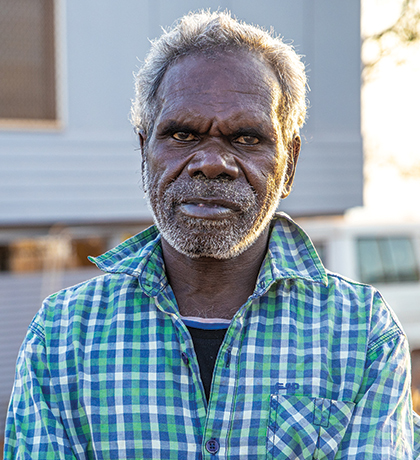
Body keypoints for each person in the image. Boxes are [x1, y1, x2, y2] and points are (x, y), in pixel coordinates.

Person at [4, 10, 420, 459]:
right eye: (183, 134)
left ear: (290, 162)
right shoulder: (64, 335)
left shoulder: (362, 334)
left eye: (246, 138)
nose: (212, 163)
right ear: (145, 151)